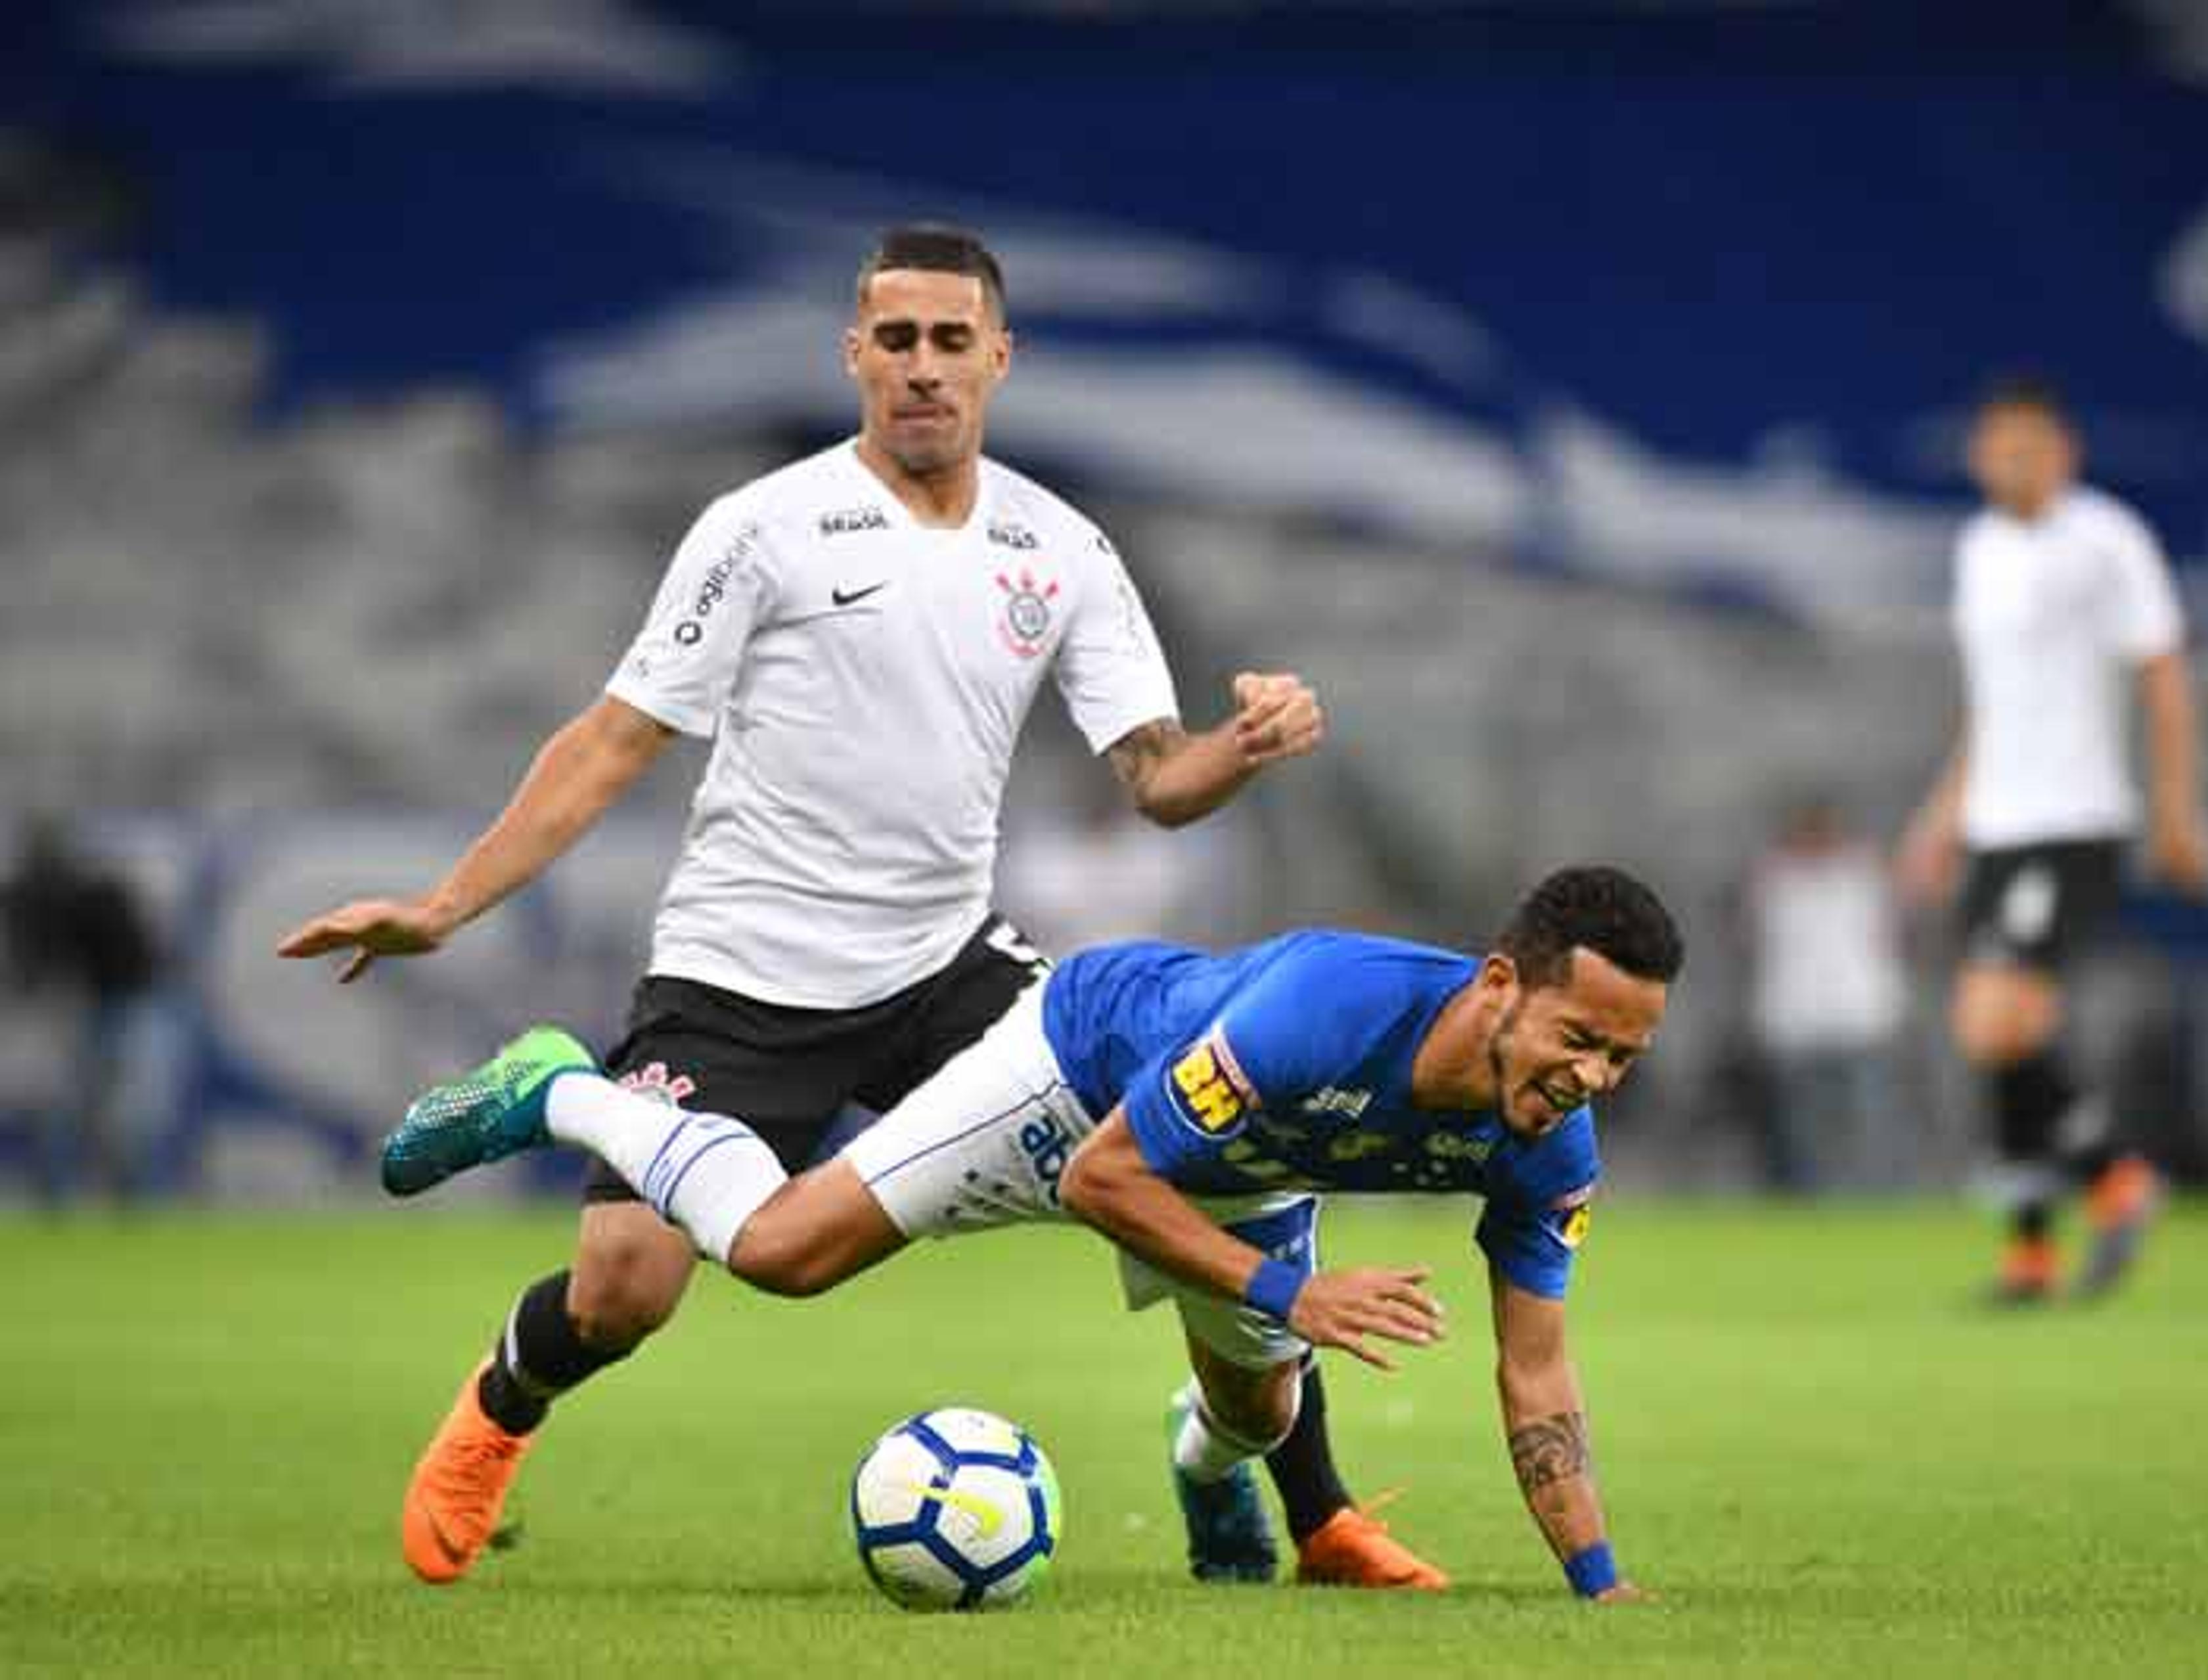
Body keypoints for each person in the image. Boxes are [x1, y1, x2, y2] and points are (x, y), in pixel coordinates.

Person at [277, 225, 1434, 1591]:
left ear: (1001, 358)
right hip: (739, 974)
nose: (924, 369)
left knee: (1206, 1143)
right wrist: (444, 906)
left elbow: (1156, 780)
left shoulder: (1056, 546)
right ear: (854, 356)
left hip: (949, 970)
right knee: (625, 1289)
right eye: (898, 340)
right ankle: (500, 1409)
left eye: (953, 341)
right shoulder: (762, 528)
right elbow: (611, 738)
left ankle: (1311, 1510)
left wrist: (1237, 748)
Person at [379, 864, 1680, 1602]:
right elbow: (1104, 1181)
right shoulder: (1329, 1012)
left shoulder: (1550, 1139)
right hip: (1076, 1080)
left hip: (1242, 1165)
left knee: (1258, 1408)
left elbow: (1539, 1369)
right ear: (1501, 985)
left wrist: (1599, 1583)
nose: (1596, 1077)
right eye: (1581, 1038)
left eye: (1625, 1053)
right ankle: (563, 1089)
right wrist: (1290, 1290)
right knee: (780, 1251)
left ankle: (1209, 1473)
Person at [1896, 376, 2208, 1304]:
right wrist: (1943, 814)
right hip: (1995, 821)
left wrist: (2179, 809)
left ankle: (2115, 1175)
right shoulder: (1980, 548)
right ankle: (2032, 1250)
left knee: (1995, 1018)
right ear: (1978, 455)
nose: (2014, 461)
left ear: (2065, 451)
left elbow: (2163, 673)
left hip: (2075, 819)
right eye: (1998, 446)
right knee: (2004, 1031)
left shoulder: (2107, 540)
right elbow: (1989, 704)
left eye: (2031, 446)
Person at [1742, 796, 1909, 1193]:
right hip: (1796, 1018)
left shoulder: (1862, 875)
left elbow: (1886, 937)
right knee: (1802, 1122)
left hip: (1860, 1014)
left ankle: (1877, 1192)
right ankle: (1807, 1196)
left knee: (1871, 1116)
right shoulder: (1776, 882)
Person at [1, 814, 164, 1205]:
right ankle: (117, 1193)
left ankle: (71, 1192)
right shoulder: (97, 891)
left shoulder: (61, 897)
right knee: (100, 1107)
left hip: (83, 1005)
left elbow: (40, 958)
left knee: (79, 1107)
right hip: (100, 1005)